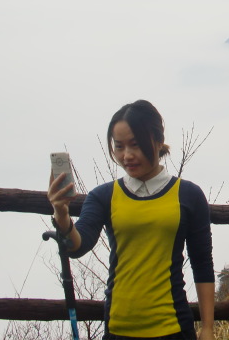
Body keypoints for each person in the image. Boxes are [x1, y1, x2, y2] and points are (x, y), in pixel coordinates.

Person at [48, 100, 215, 340]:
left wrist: (208, 328)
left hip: (174, 327)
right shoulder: (103, 196)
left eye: (135, 145)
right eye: (119, 146)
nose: (127, 155)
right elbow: (78, 246)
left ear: (158, 141)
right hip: (118, 329)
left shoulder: (188, 195)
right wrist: (61, 213)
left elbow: (202, 264)